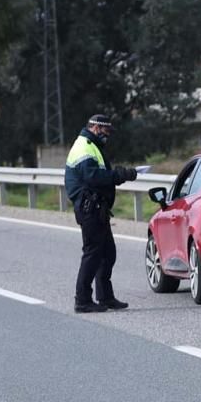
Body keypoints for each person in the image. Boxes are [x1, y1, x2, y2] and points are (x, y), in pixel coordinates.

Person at [64, 114, 139, 313]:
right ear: (97, 128)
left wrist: (117, 175)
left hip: (98, 208)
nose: (108, 136)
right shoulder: (84, 147)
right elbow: (93, 177)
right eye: (106, 131)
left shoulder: (91, 145)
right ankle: (82, 300)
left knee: (107, 254)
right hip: (90, 208)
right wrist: (120, 175)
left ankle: (105, 297)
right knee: (92, 254)